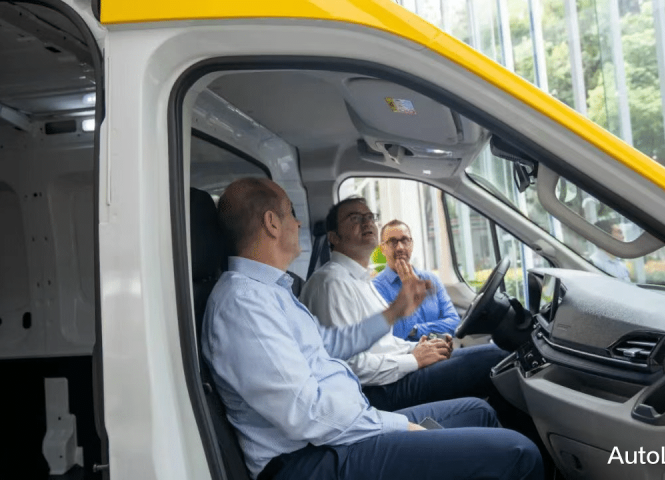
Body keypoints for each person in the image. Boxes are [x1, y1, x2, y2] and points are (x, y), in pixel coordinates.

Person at [202, 178, 543, 480]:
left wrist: (398, 320)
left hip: (339, 428)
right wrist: (394, 424)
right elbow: (305, 413)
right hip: (306, 459)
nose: (299, 222)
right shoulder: (244, 303)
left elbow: (333, 346)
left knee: (479, 412)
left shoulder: (273, 291)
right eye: (291, 213)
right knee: (519, 453)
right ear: (272, 223)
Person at [300, 197, 509, 412]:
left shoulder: (362, 281)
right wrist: (414, 359)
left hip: (393, 373)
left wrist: (421, 347)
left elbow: (387, 344)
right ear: (334, 237)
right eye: (355, 218)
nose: (367, 222)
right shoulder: (330, 283)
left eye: (370, 217)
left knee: (498, 358)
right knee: (497, 358)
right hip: (374, 392)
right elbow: (348, 365)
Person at [373, 219, 459, 340]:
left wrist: (416, 330)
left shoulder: (431, 279)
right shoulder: (376, 288)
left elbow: (455, 323)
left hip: (442, 348)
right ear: (382, 248)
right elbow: (393, 333)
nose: (400, 247)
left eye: (404, 240)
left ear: (411, 244)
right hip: (409, 352)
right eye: (393, 242)